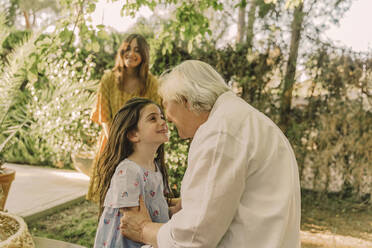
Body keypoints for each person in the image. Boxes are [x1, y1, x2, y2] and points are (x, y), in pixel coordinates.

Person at [120, 60, 301, 247]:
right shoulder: (243, 120)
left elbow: (192, 239)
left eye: (167, 107)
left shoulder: (220, 132)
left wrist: (143, 229)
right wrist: (194, 202)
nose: (171, 124)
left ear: (186, 101)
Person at [87, 34, 161, 203]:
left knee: (137, 199)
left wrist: (136, 144)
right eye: (127, 49)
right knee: (108, 197)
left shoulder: (151, 83)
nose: (131, 53)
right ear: (121, 51)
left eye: (137, 50)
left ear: (144, 55)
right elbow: (104, 117)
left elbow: (154, 116)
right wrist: (118, 142)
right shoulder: (108, 79)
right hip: (111, 142)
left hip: (140, 146)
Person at [94, 97, 174, 248]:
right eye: (153, 118)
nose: (163, 122)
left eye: (162, 117)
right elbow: (133, 223)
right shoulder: (128, 171)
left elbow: (155, 208)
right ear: (133, 135)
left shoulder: (155, 167)